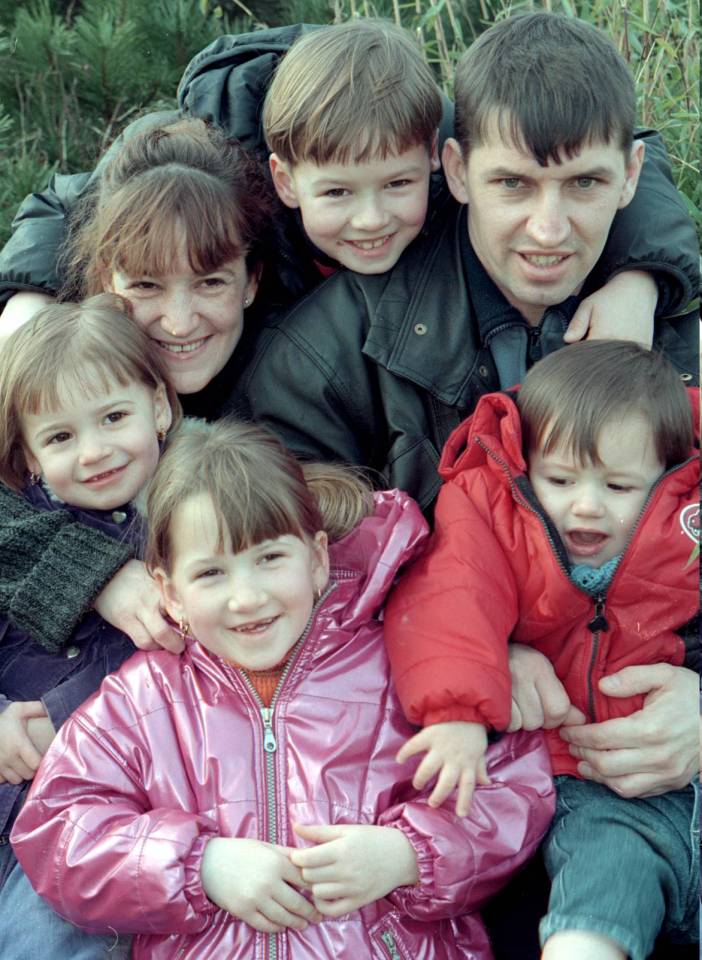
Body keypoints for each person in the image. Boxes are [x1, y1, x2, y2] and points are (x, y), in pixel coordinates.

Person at [10, 418, 555, 959]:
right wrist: (200, 866)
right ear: (169, 592)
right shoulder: (142, 699)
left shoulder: (403, 661)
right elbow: (56, 830)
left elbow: (514, 786)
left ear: (316, 559)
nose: (246, 598)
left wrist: (408, 855)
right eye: (211, 575)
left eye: (269, 559)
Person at [230, 13, 699, 511]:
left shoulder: (663, 305)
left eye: (585, 183)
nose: (549, 229)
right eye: (512, 184)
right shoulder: (315, 359)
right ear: (455, 170)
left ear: (629, 177)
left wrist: (641, 281)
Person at [0, 20, 698, 338]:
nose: (371, 220)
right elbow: (69, 205)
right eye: (337, 194)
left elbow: (625, 157)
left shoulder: (438, 136)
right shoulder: (225, 172)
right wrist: (26, 303)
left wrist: (638, 281)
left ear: (439, 161)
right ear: (286, 180)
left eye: (397, 187)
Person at [384, 340, 700, 960]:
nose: (585, 505)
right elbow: (453, 594)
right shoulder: (494, 508)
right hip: (598, 782)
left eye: (617, 485)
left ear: (670, 474)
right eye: (559, 479)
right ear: (526, 466)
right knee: (601, 888)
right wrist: (457, 714)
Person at [0, 115, 276, 656]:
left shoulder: (290, 363)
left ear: (251, 282)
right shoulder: (51, 357)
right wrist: (91, 573)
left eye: (210, 282)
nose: (178, 322)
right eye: (147, 285)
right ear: (105, 280)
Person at [0, 293, 181, 958]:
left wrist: (58, 715)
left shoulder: (189, 519)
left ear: (157, 407)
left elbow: (183, 662)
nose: (94, 451)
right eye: (60, 437)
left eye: (113, 417)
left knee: (46, 940)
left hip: (99, 814)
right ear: (26, 456)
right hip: (8, 790)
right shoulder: (22, 539)